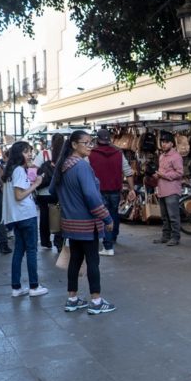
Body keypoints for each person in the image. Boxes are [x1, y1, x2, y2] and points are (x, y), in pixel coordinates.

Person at [51, 131, 116, 315]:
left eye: (91, 142)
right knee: (93, 261)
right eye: (85, 143)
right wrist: (107, 218)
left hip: (69, 223)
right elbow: (91, 196)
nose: (90, 146)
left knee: (75, 260)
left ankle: (72, 299)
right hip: (87, 223)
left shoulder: (63, 165)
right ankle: (96, 301)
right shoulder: (81, 167)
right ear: (73, 145)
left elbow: (52, 191)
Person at [1, 141, 48, 298]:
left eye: (30, 151)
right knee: (32, 251)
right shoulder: (19, 170)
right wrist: (36, 184)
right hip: (26, 215)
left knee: (19, 251)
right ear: (19, 153)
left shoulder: (10, 171)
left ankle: (16, 287)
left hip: (16, 217)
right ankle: (34, 286)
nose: (29, 154)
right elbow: (19, 195)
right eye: (26, 151)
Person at [88, 129, 136, 255]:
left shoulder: (91, 154)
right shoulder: (118, 153)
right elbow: (128, 172)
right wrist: (132, 189)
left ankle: (108, 245)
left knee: (103, 216)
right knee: (113, 213)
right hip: (115, 189)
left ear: (97, 139)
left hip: (99, 190)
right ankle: (113, 236)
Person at [33, 134, 65, 250]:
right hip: (59, 191)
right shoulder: (65, 155)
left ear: (51, 142)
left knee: (44, 217)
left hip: (43, 192)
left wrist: (33, 183)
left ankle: (46, 241)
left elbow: (33, 169)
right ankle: (58, 241)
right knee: (57, 216)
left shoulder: (44, 154)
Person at [153, 133, 183, 246]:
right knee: (164, 216)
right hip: (162, 189)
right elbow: (162, 172)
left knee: (173, 216)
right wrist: (157, 176)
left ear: (172, 143)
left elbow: (180, 173)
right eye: (162, 142)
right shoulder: (161, 156)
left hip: (172, 190)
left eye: (166, 142)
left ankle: (175, 237)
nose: (163, 144)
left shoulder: (176, 156)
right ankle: (165, 236)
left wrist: (164, 175)